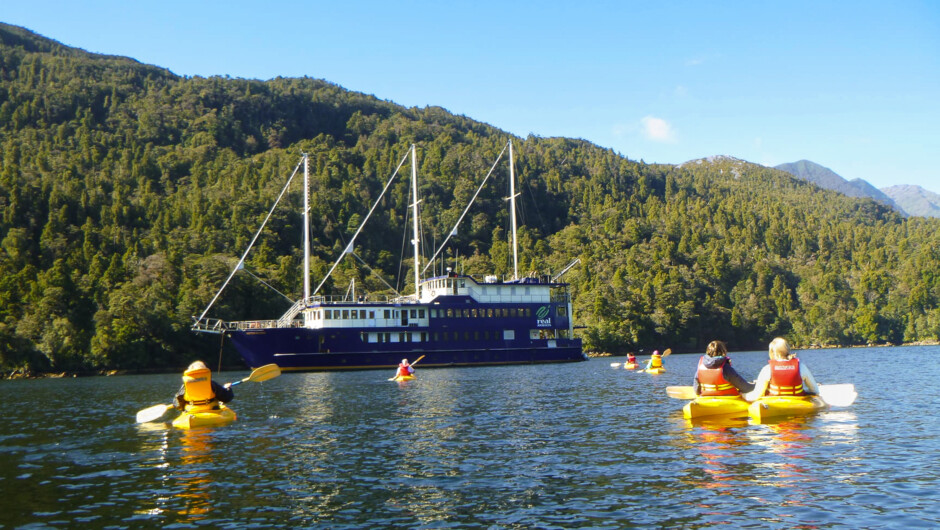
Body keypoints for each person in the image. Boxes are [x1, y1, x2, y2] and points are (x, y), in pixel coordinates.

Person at [745, 337, 819, 401]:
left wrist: (743, 395)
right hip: (798, 401)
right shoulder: (801, 367)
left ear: (772, 352)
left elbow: (756, 395)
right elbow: (815, 390)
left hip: (774, 403)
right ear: (788, 350)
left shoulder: (767, 369)